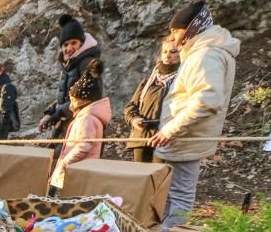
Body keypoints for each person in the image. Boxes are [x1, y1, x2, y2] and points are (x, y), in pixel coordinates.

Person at [148, 0, 239, 232]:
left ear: (189, 29)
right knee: (170, 193)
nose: (172, 36)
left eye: (175, 30)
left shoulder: (206, 55)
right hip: (182, 138)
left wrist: (170, 130)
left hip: (184, 138)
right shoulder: (204, 51)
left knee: (179, 195)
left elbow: (207, 99)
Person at [38, 15, 102, 157]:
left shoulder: (88, 64)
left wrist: (57, 114)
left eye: (74, 43)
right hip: (66, 122)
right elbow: (65, 96)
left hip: (81, 126)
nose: (69, 48)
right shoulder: (69, 66)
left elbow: (87, 99)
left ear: (82, 43)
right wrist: (50, 113)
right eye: (65, 45)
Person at [47, 59, 111, 194]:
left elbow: (84, 144)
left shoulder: (86, 118)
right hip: (80, 171)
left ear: (85, 100)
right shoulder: (89, 116)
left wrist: (65, 163)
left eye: (74, 100)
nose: (71, 105)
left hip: (75, 172)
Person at [124, 36, 180, 163]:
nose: (168, 55)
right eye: (165, 51)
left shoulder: (181, 81)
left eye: (173, 51)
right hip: (141, 137)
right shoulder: (148, 82)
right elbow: (130, 108)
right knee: (141, 179)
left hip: (165, 137)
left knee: (160, 179)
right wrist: (135, 120)